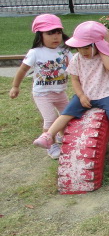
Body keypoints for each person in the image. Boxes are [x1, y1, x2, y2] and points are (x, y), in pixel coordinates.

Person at [32, 21, 109, 161]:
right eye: (79, 48)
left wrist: (103, 49)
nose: (82, 52)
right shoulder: (77, 59)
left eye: (86, 48)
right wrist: (81, 96)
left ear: (96, 46)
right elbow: (74, 79)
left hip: (105, 94)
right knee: (66, 113)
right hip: (85, 95)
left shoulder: (103, 58)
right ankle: (48, 135)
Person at [10, 14, 71, 159]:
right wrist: (15, 86)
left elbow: (74, 68)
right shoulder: (35, 53)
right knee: (50, 119)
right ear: (40, 35)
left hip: (60, 92)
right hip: (43, 94)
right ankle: (50, 144)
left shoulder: (65, 51)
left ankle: (62, 136)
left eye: (58, 32)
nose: (55, 37)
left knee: (67, 116)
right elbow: (23, 70)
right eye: (50, 33)